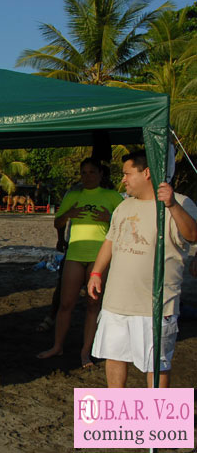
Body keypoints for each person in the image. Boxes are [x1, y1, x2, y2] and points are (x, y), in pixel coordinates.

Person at [88, 151, 197, 388]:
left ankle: (155, 422)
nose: (123, 180)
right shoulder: (124, 206)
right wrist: (96, 273)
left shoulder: (181, 202)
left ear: (146, 172)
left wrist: (172, 205)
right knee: (113, 356)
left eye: (128, 174)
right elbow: (110, 240)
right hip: (116, 302)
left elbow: (193, 235)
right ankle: (117, 413)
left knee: (156, 365)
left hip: (155, 304)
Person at [38, 158, 123, 367]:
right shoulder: (74, 195)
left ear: (101, 174)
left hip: (99, 257)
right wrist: (69, 214)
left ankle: (86, 351)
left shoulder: (112, 196)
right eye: (83, 173)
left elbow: (127, 223)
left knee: (93, 305)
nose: (87, 177)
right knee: (66, 304)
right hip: (75, 255)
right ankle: (57, 346)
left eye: (92, 172)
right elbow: (57, 222)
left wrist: (109, 218)